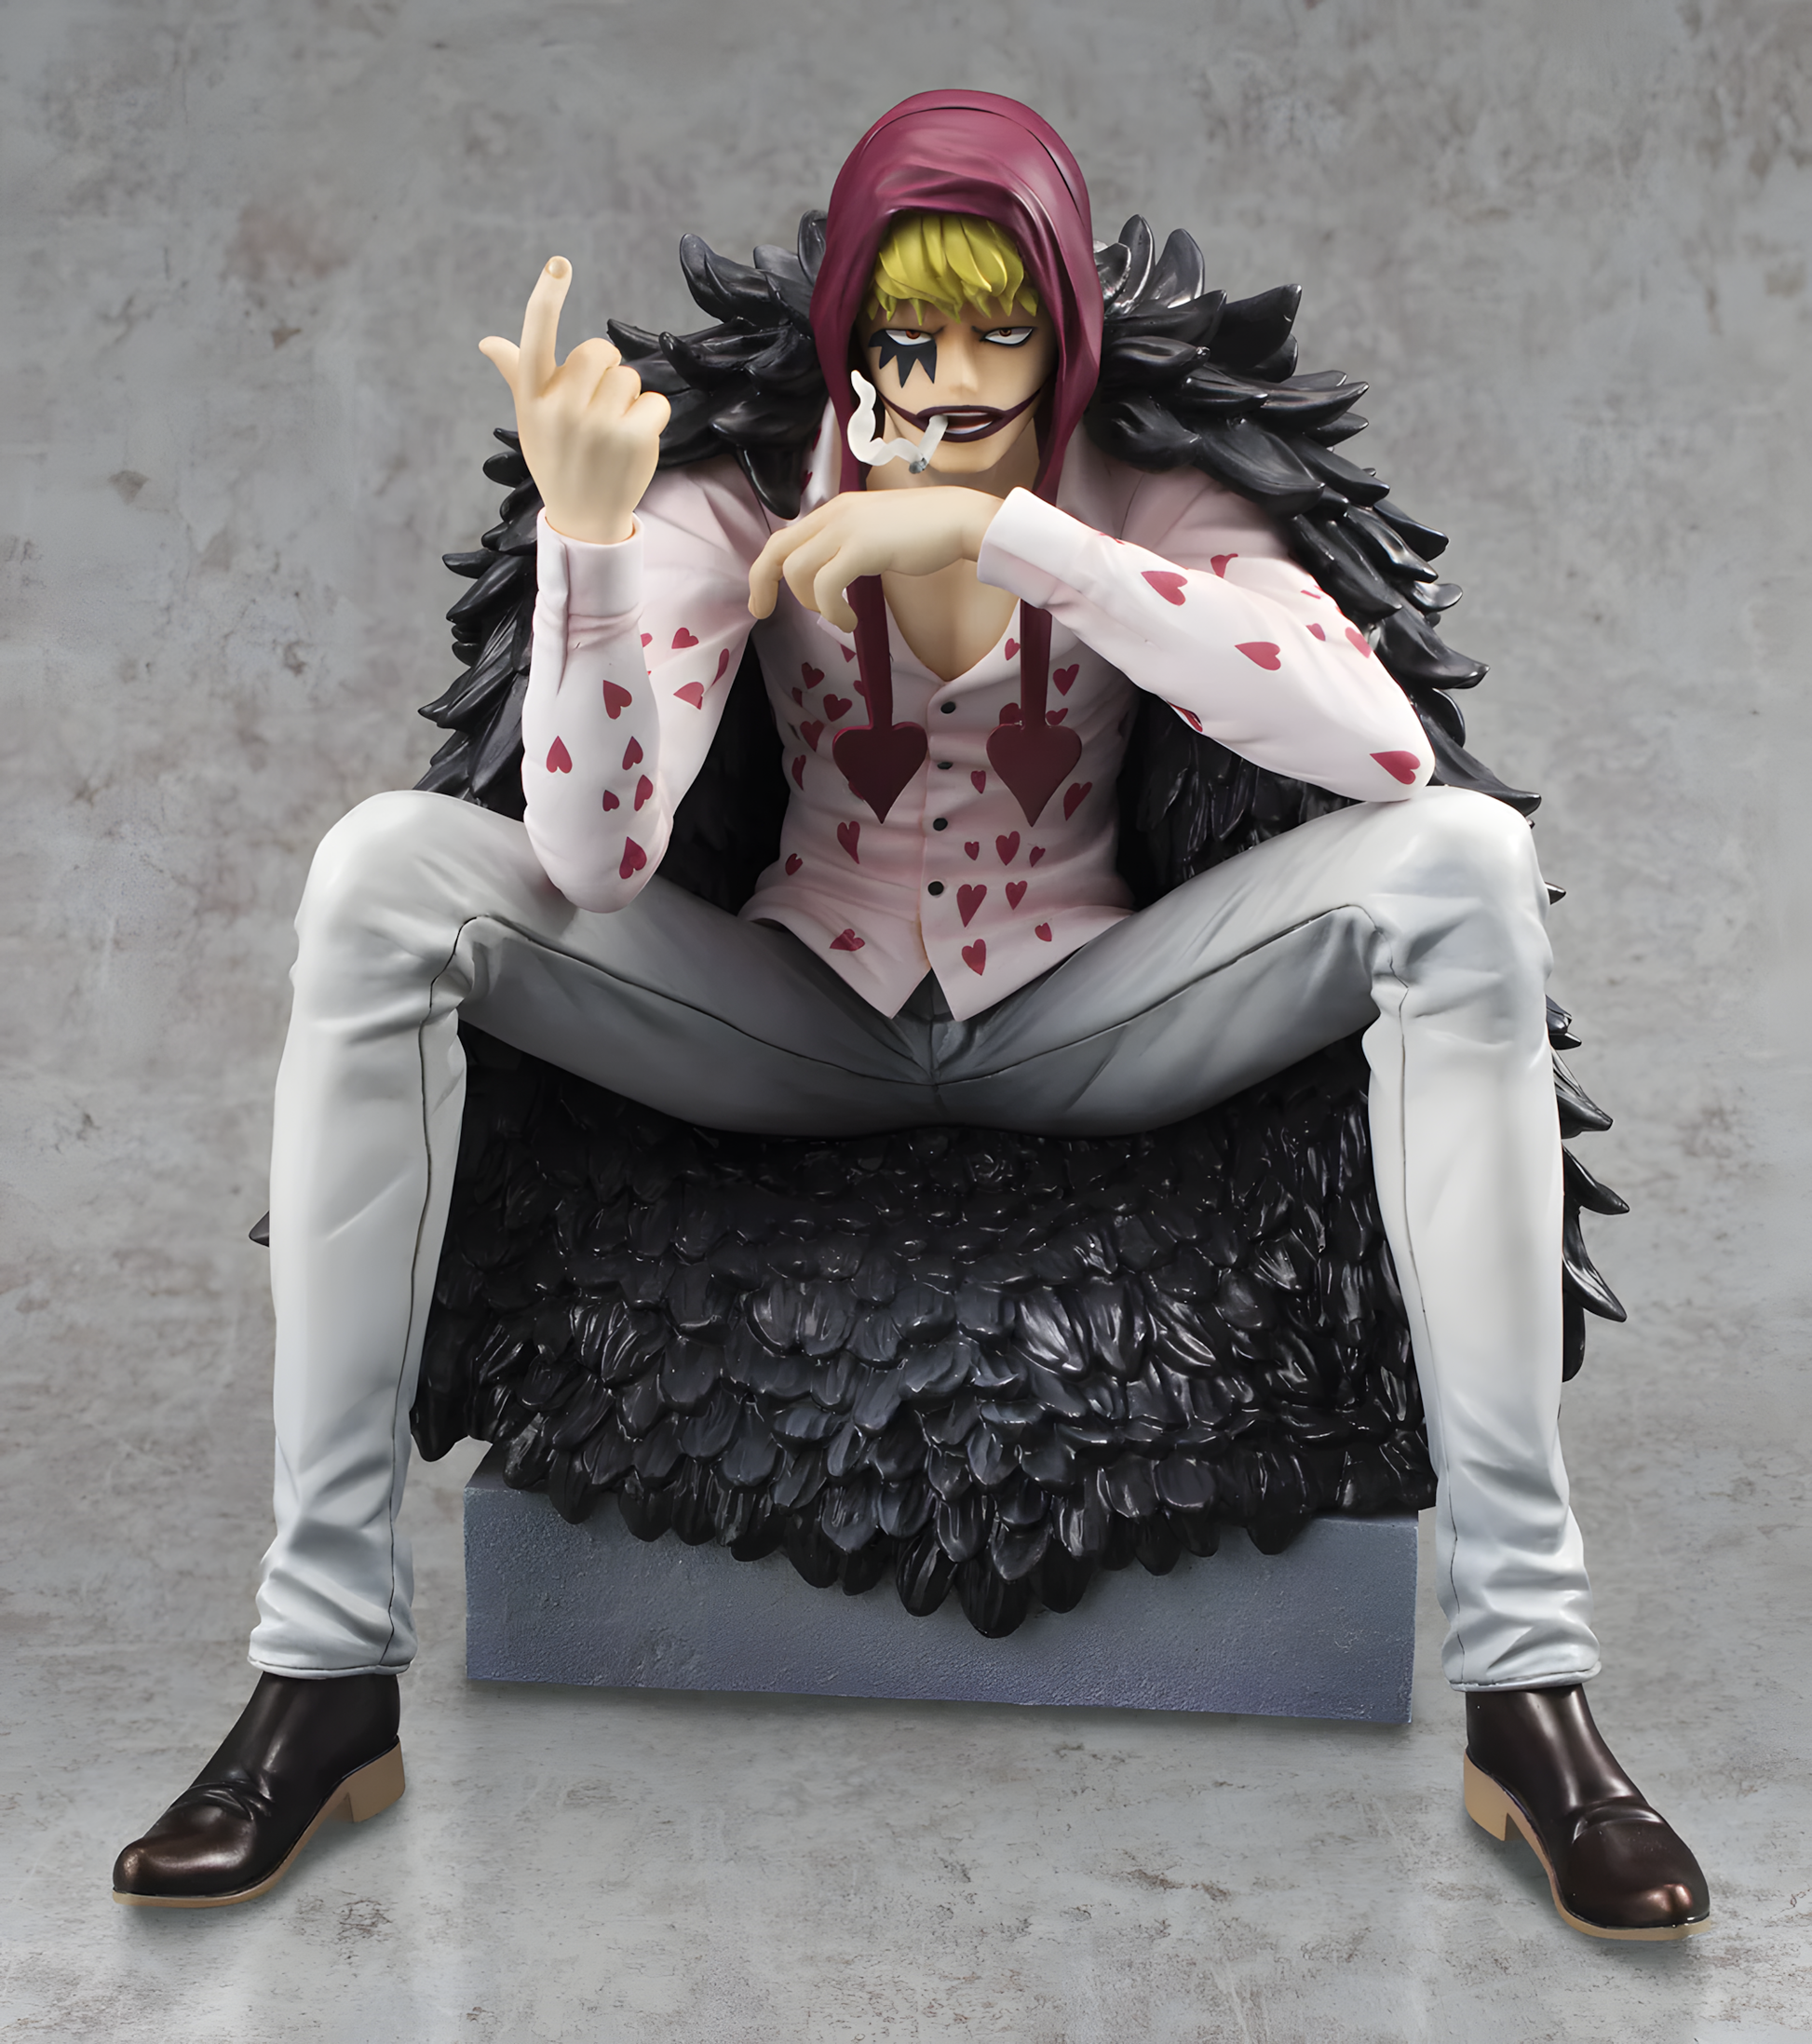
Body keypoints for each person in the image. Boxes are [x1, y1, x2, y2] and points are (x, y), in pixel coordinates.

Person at [112, 90, 1710, 1939]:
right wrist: (591, 552)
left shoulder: (1138, 488)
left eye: (991, 330)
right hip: (794, 1015)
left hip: (1087, 1012)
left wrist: (1019, 539)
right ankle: (321, 1669)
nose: (942, 374)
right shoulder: (744, 488)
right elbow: (592, 851)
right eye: (902, 333)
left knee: (1464, 866)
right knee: (379, 869)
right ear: (846, 335)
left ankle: (1527, 1682)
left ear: (1063, 335)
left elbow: (1376, 745)